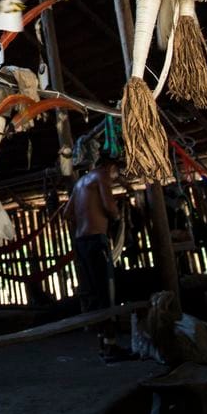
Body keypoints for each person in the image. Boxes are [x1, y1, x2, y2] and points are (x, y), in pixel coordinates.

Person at [65, 147, 126, 359]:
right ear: (111, 166)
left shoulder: (80, 183)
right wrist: (118, 217)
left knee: (94, 293)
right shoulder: (101, 175)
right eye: (117, 172)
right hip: (96, 241)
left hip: (81, 242)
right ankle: (111, 347)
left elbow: (67, 213)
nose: (116, 177)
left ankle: (103, 343)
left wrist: (87, 217)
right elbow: (110, 206)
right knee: (106, 292)